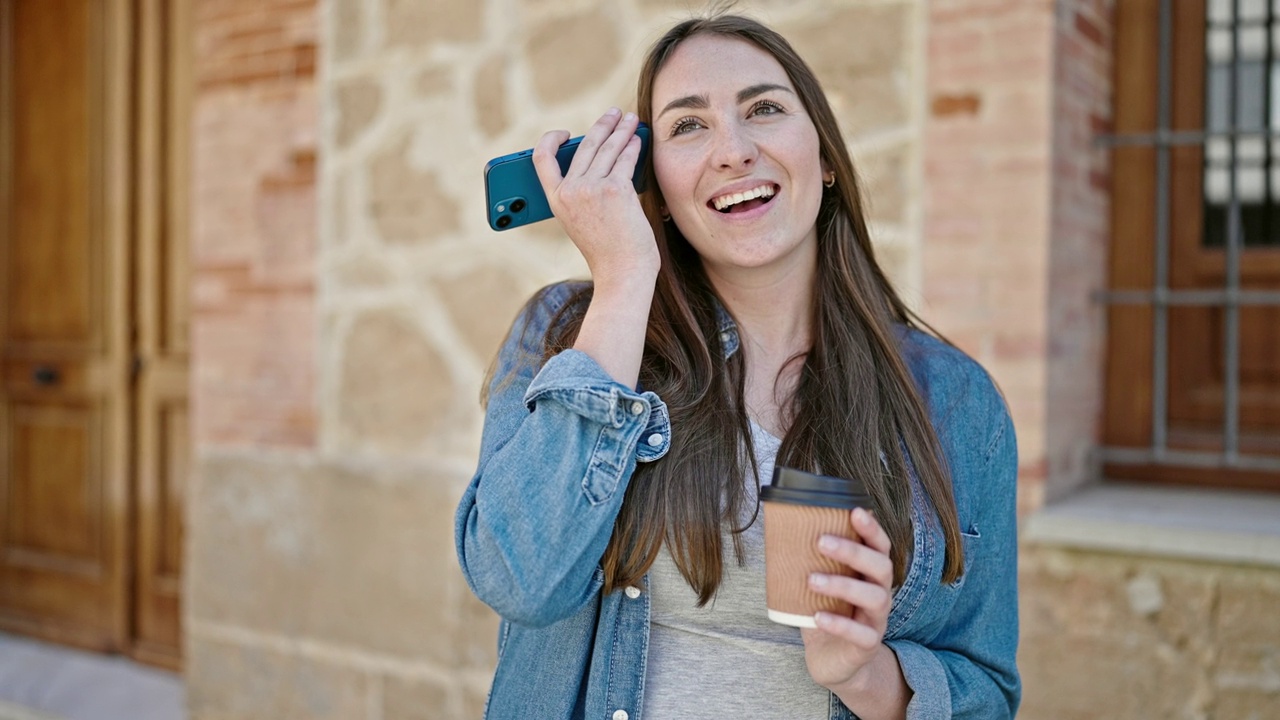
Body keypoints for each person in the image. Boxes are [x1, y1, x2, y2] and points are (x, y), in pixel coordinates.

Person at [455, 12, 1019, 720]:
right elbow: (521, 578)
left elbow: (989, 695)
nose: (733, 150)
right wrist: (626, 279)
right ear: (650, 180)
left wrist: (868, 676)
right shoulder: (568, 333)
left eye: (765, 109)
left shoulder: (957, 403)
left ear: (826, 158)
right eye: (688, 126)